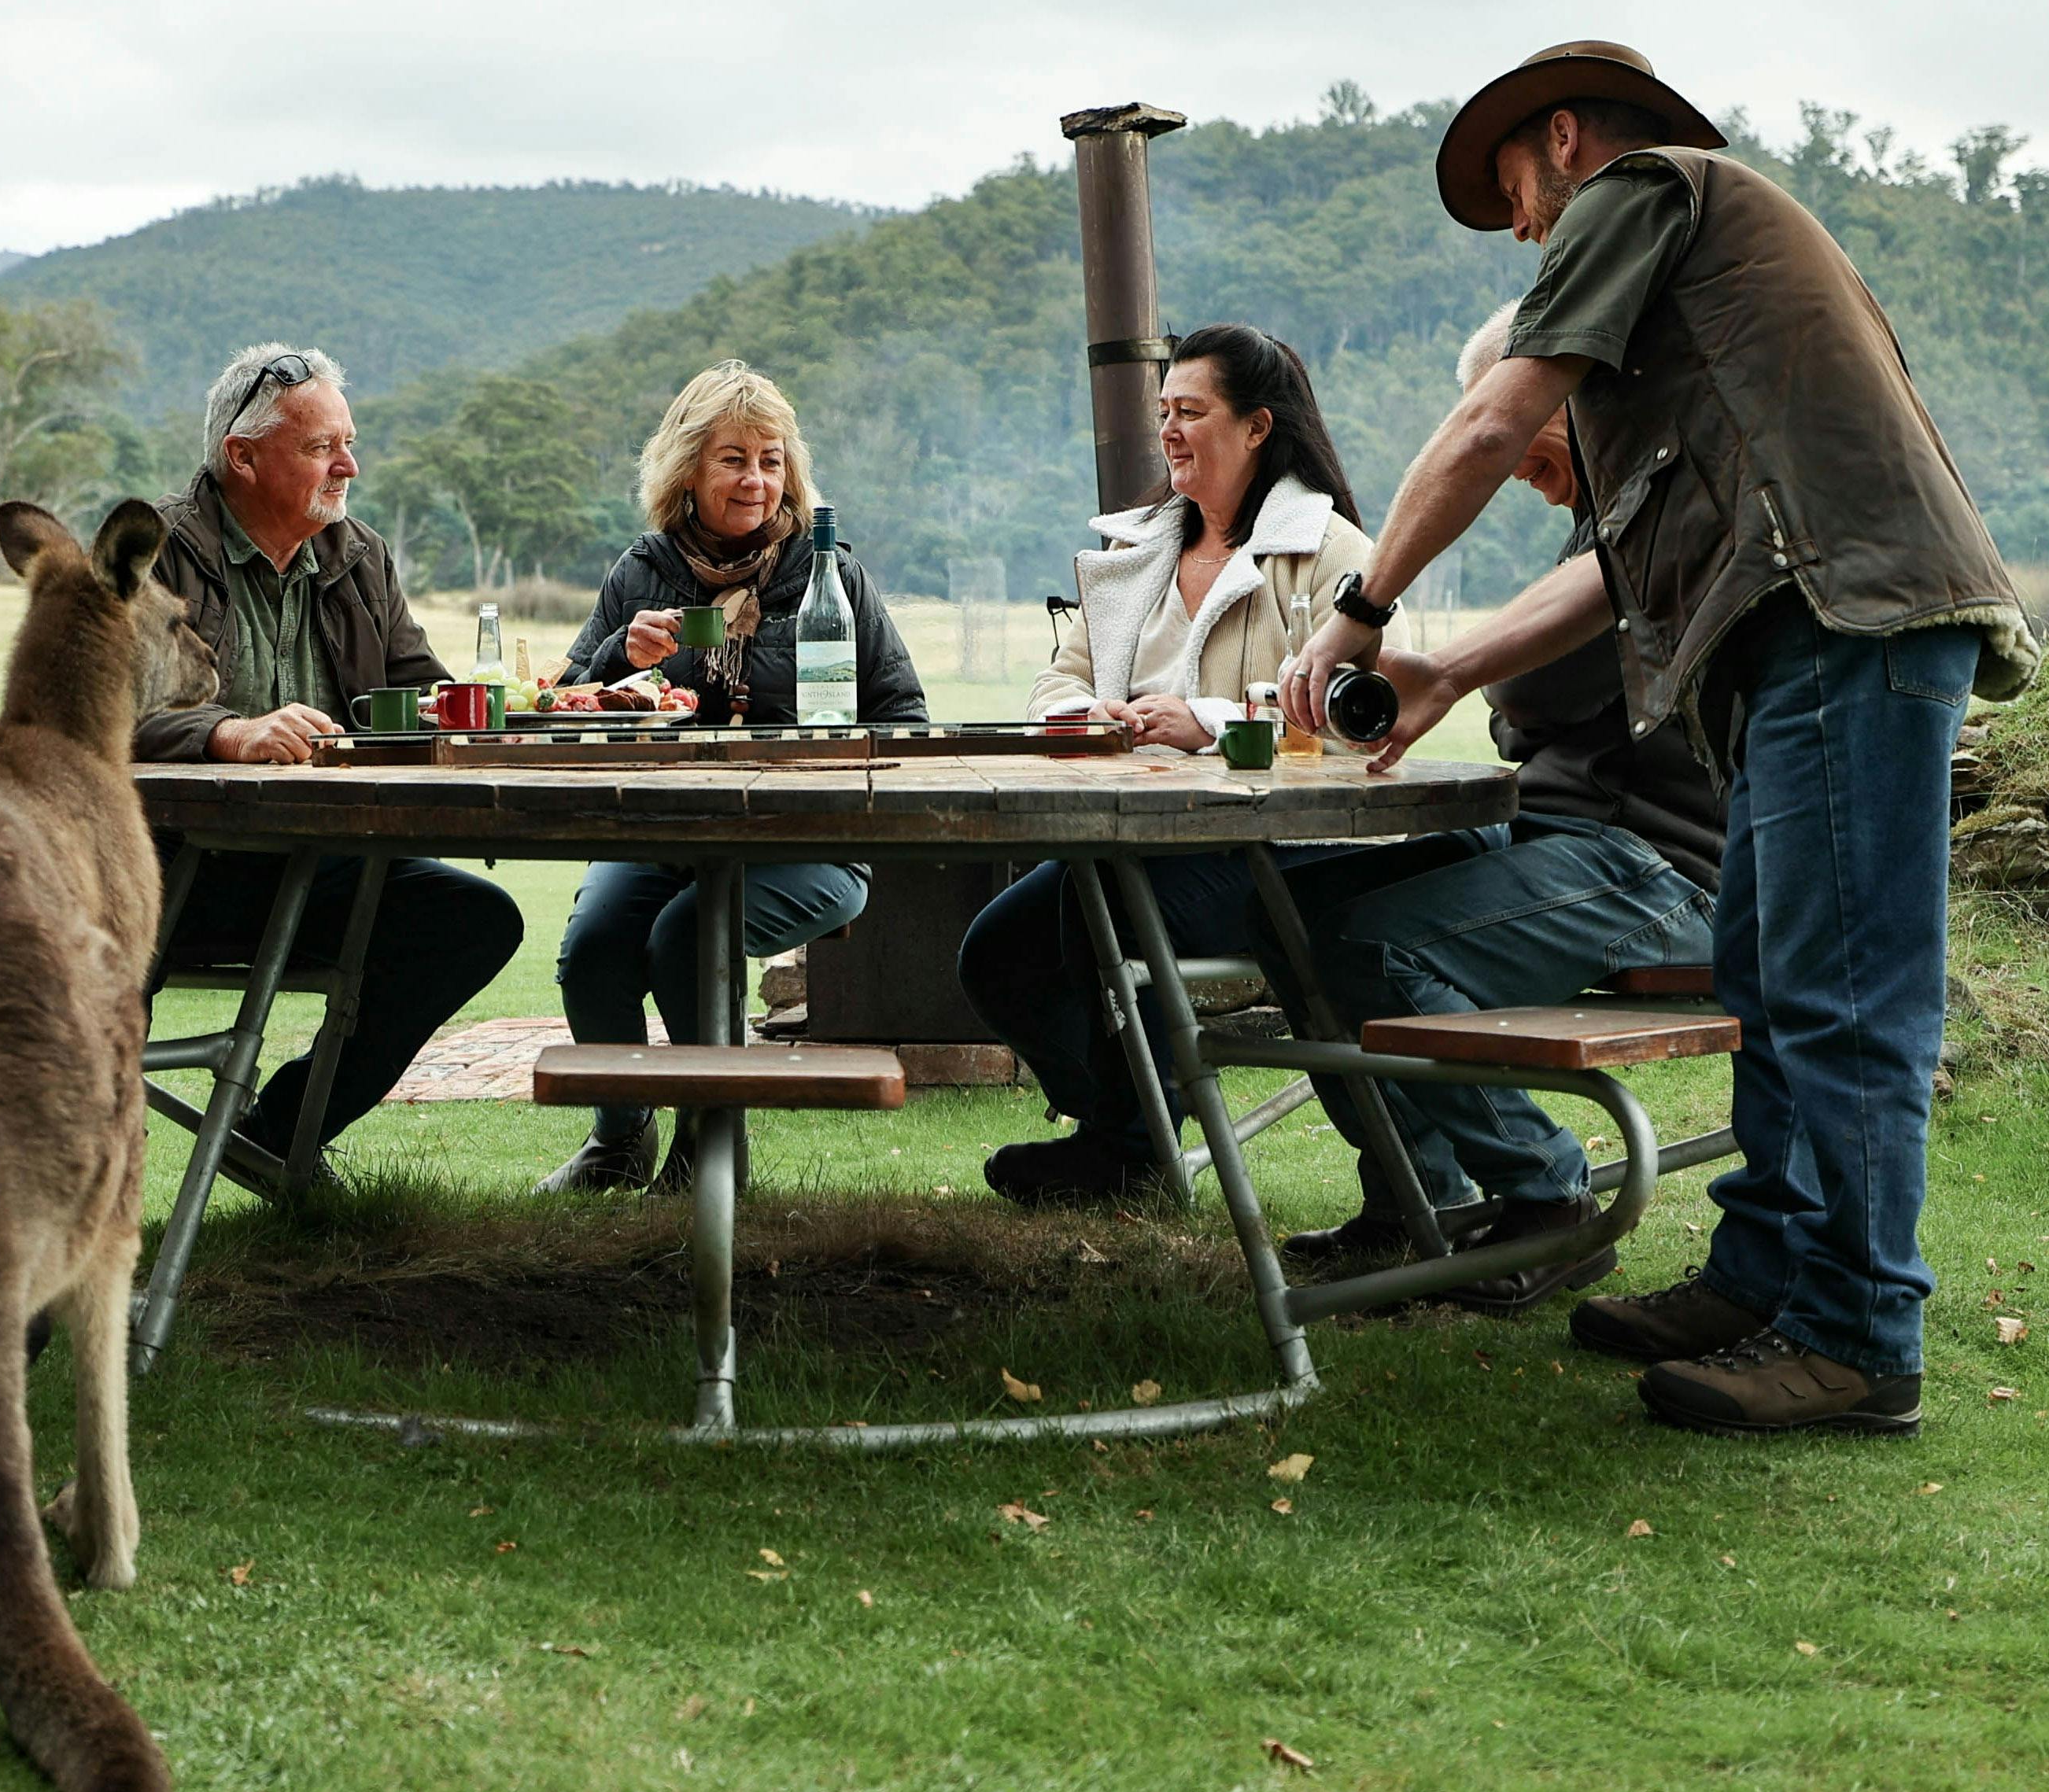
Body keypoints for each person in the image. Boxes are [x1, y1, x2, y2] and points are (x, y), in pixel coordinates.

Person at [1284, 42, 2036, 1437]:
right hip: (1800, 628)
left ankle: (1859, 1330)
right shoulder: (1703, 291)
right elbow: (1613, 563)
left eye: (1513, 190)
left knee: (1845, 997)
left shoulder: (1640, 189)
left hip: (1848, 617)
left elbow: (1493, 408)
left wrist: (1359, 610)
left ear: (1562, 139)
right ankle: (1759, 1277)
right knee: (1769, 973)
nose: (1521, 229)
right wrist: (1446, 668)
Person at [1256, 297, 1722, 1314]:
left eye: (1515, 418)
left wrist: (1488, 683)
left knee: (1380, 945)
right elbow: (1532, 708)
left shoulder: (1656, 520)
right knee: (1298, 909)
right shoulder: (1595, 531)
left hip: (1662, 865)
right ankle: (1414, 1203)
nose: (1509, 453)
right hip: (1576, 834)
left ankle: (1547, 1198)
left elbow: (1529, 700)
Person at [959, 323, 1386, 1206]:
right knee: (996, 952)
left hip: (1272, 850)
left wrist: (1210, 721)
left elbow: (1363, 714)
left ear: (1259, 427)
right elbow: (1058, 678)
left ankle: (1122, 1149)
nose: (1169, 431)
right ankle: (1129, 1132)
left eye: (1191, 411)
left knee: (1106, 911)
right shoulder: (1135, 553)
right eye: (1163, 413)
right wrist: (1089, 718)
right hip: (1124, 840)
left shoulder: (1332, 550)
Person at [536, 361, 926, 1197]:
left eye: (771, 459)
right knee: (595, 949)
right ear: (689, 469)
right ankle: (618, 1136)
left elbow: (906, 715)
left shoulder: (831, 577)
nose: (757, 480)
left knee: (689, 937)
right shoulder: (640, 573)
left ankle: (710, 1147)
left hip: (807, 840)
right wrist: (618, 658)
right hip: (659, 834)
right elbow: (559, 708)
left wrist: (832, 756)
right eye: (733, 459)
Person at [136, 342, 522, 1167]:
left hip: (316, 867)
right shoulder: (154, 550)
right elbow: (94, 714)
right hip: (163, 867)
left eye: (347, 441)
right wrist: (222, 732)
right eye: (321, 448)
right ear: (241, 456)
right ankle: (79, 1198)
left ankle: (280, 1134)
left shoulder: (359, 555)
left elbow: (425, 691)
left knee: (472, 920)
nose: (348, 464)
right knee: (92, 980)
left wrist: (514, 703)